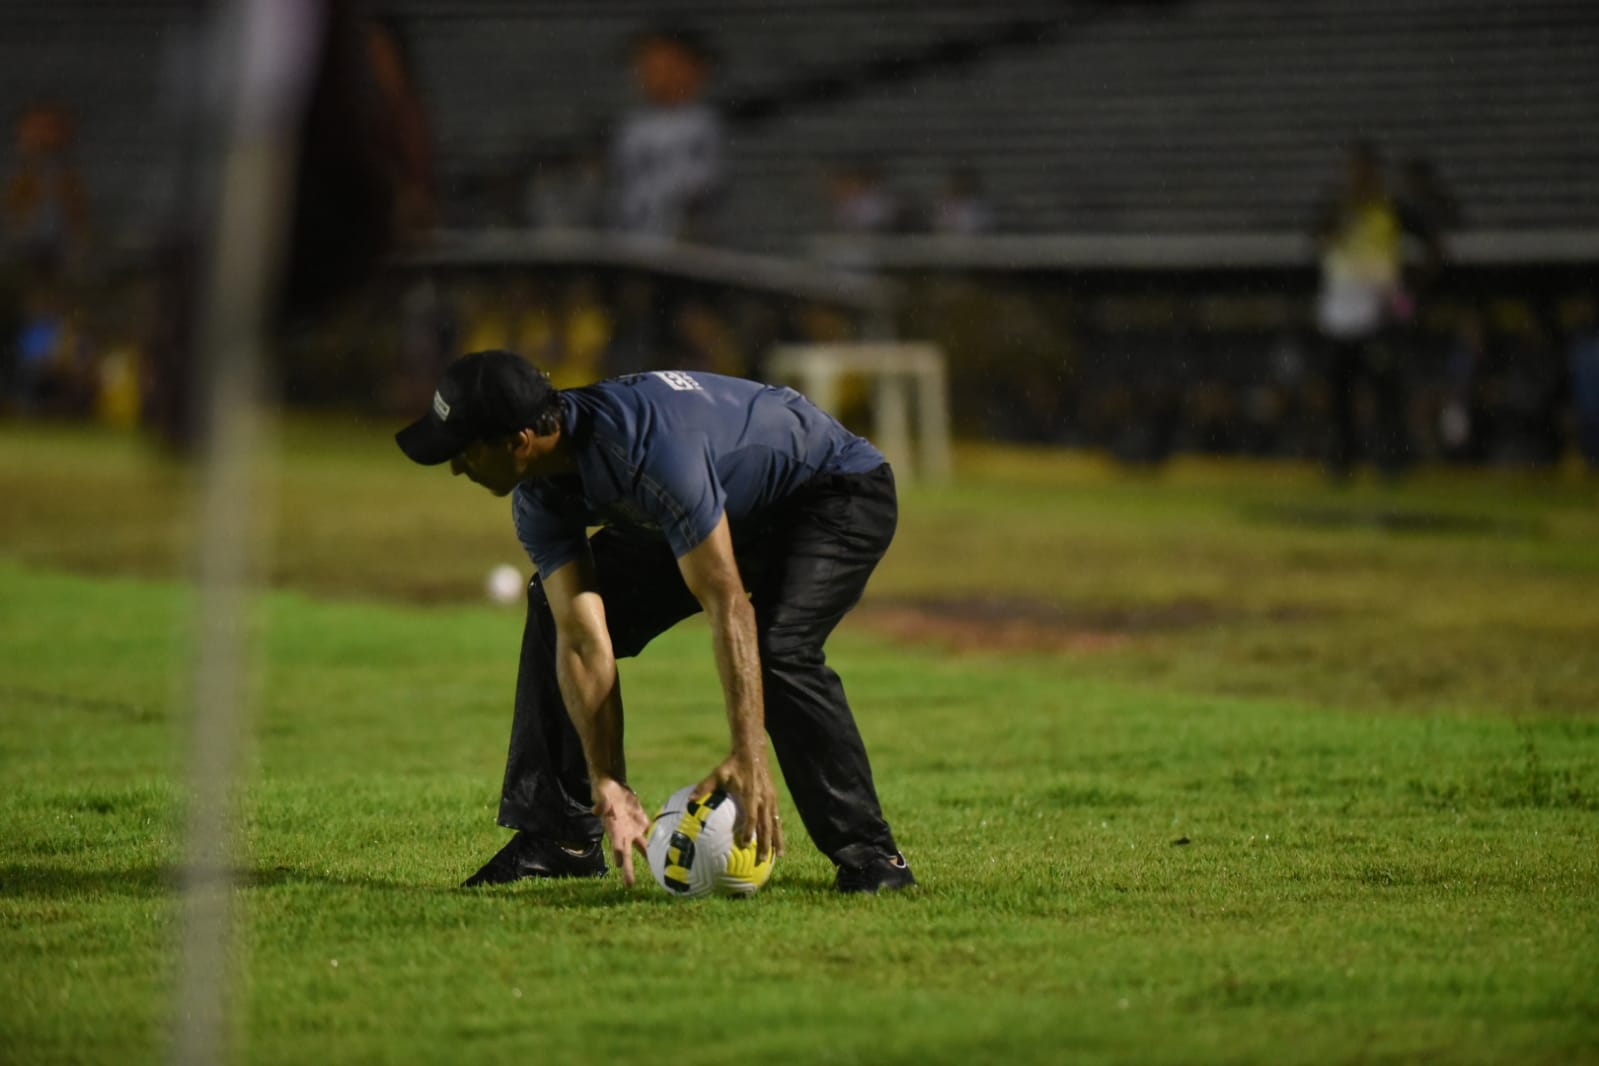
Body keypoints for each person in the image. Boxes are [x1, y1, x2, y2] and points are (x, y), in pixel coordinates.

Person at [395, 350, 916, 894]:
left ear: (518, 441)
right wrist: (608, 783)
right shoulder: (538, 497)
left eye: (464, 451)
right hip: (723, 503)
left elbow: (727, 602)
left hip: (831, 492)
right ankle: (562, 840)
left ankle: (874, 859)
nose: (456, 467)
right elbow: (581, 642)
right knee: (554, 607)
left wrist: (748, 753)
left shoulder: (648, 450)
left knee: (779, 647)